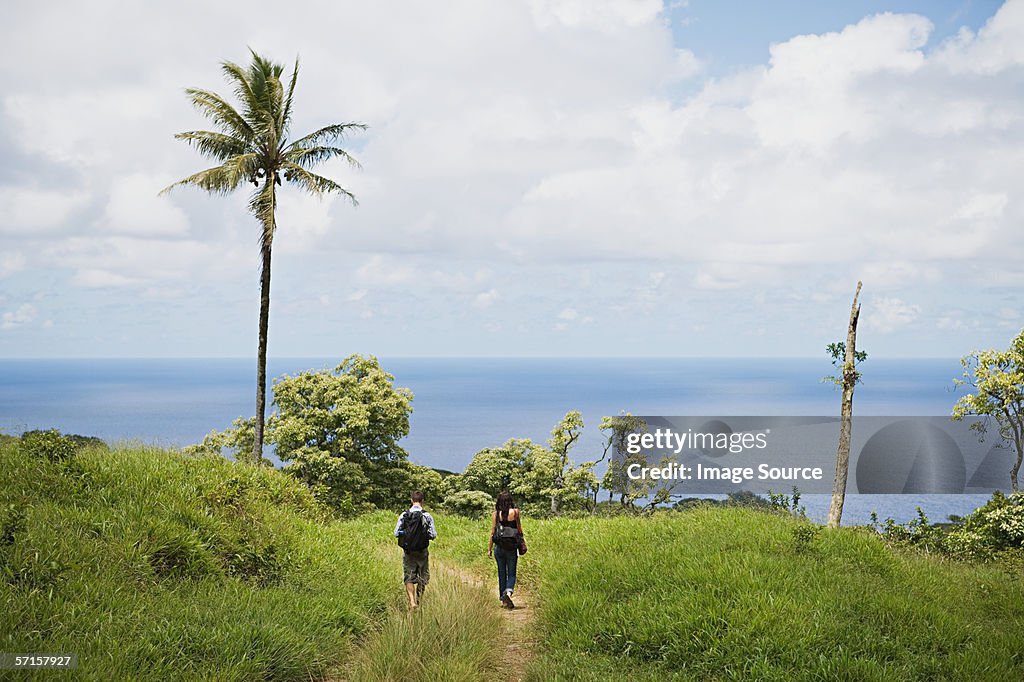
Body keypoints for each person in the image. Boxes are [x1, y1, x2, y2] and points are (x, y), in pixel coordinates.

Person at [394, 490, 437, 610]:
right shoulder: (427, 516)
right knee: (423, 577)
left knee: (409, 576)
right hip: (422, 551)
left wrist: (407, 534)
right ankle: (419, 600)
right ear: (422, 501)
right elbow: (433, 534)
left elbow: (396, 533)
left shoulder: (404, 515)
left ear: (411, 500)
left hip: (408, 552)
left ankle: (412, 602)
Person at [487, 490, 522, 609]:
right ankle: (508, 593)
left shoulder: (495, 514)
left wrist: (489, 549)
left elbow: (492, 532)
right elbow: (519, 529)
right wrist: (522, 543)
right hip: (511, 548)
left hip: (499, 548)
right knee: (511, 573)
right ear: (510, 501)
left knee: (501, 573)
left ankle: (503, 601)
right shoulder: (516, 512)